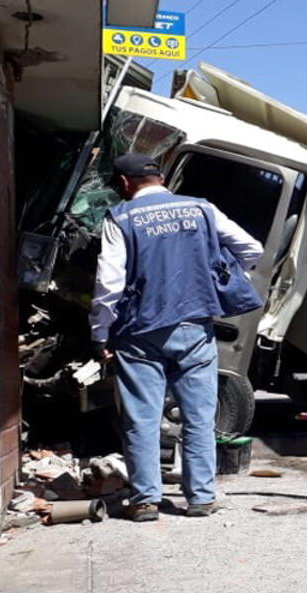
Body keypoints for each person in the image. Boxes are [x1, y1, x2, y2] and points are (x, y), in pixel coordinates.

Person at [90, 152, 264, 522]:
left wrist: (100, 333)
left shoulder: (120, 217)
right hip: (194, 326)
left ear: (123, 184)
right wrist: (216, 275)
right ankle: (201, 497)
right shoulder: (201, 209)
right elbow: (252, 249)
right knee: (199, 416)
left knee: (142, 417)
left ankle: (145, 501)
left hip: (140, 332)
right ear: (162, 177)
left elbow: (109, 282)